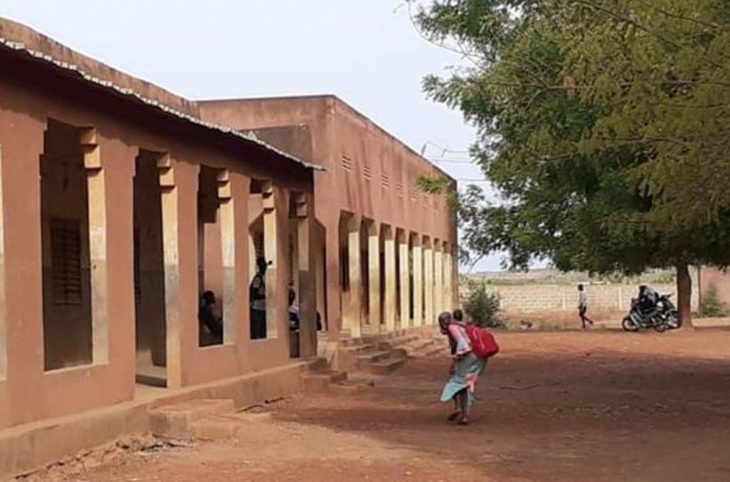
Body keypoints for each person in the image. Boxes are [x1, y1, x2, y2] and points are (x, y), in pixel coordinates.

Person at [438, 311, 488, 425]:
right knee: (468, 383)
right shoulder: (462, 326)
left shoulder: (452, 328)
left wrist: (456, 361)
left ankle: (459, 409)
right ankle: (464, 413)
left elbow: (462, 345)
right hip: (480, 357)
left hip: (469, 356)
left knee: (457, 383)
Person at [250, 257, 268, 339]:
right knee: (257, 330)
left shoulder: (265, 277)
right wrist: (264, 296)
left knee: (263, 331)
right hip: (257, 307)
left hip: (264, 307)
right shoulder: (258, 278)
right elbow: (254, 292)